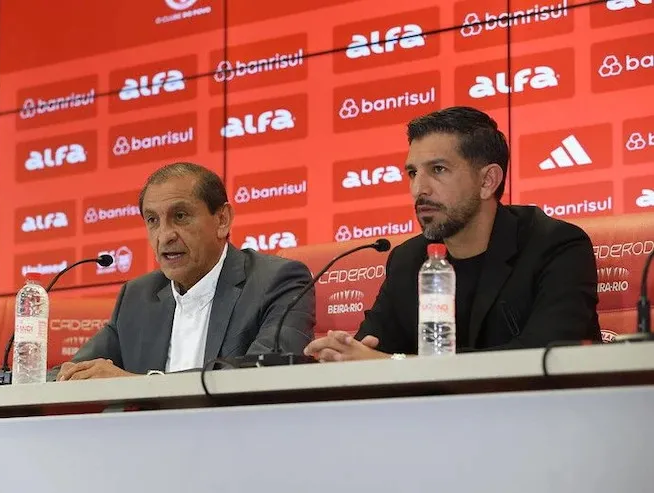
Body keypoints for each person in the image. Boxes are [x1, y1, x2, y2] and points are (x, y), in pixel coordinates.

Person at [304, 106, 602, 362]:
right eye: (413, 173)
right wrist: (343, 353)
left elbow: (545, 357)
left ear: (488, 181)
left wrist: (392, 363)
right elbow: (369, 351)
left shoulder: (556, 246)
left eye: (438, 169)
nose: (419, 189)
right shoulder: (408, 260)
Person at [53, 162, 316, 381]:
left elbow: (264, 376)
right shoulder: (138, 296)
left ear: (222, 220)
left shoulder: (277, 281)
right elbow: (74, 371)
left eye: (180, 216)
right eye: (153, 220)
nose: (165, 235)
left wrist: (136, 384)